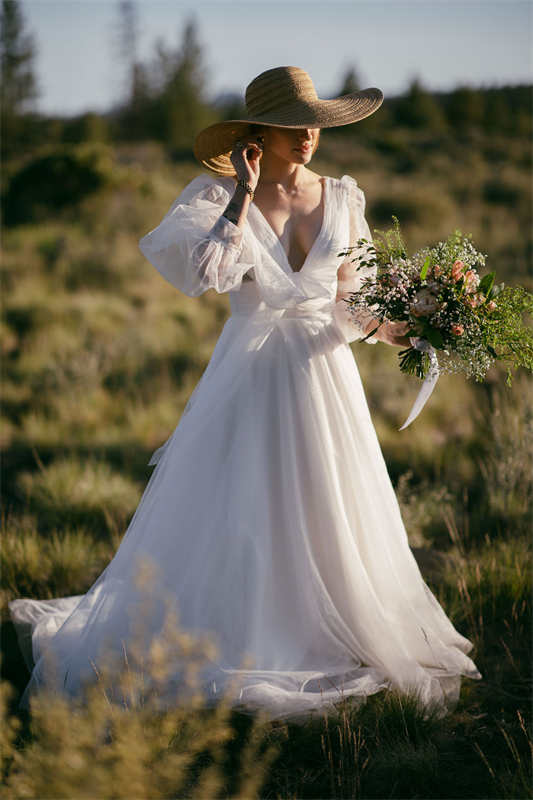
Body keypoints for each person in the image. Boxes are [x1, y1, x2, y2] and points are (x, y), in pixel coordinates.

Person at [9, 66, 481, 723]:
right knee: (240, 505)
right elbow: (205, 275)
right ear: (256, 135)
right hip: (247, 374)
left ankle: (329, 625)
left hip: (321, 378)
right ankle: (243, 630)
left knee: (327, 505)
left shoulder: (343, 197)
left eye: (315, 123)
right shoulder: (215, 196)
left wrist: (403, 331)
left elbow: (352, 301)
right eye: (294, 126)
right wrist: (242, 194)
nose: (309, 136)